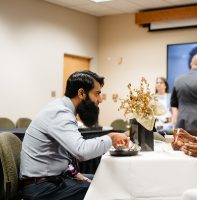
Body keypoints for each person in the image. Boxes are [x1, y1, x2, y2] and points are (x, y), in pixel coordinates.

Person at [20, 70, 129, 200]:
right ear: (81, 93)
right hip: (41, 189)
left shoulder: (61, 109)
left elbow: (62, 154)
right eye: (97, 94)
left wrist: (75, 174)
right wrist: (110, 138)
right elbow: (81, 150)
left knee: (106, 181)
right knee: (109, 189)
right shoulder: (59, 113)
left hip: (51, 180)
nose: (100, 100)